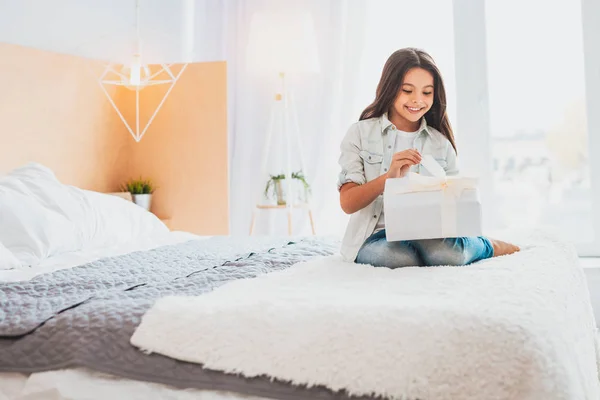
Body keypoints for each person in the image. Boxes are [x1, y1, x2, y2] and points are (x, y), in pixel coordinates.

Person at [337, 48, 519, 268]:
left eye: (427, 92)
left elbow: (455, 203)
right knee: (396, 258)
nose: (417, 100)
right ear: (390, 88)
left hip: (431, 236)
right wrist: (388, 178)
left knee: (448, 255)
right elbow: (347, 203)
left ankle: (487, 245)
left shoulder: (439, 143)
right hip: (377, 237)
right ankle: (427, 254)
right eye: (407, 90)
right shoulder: (360, 133)